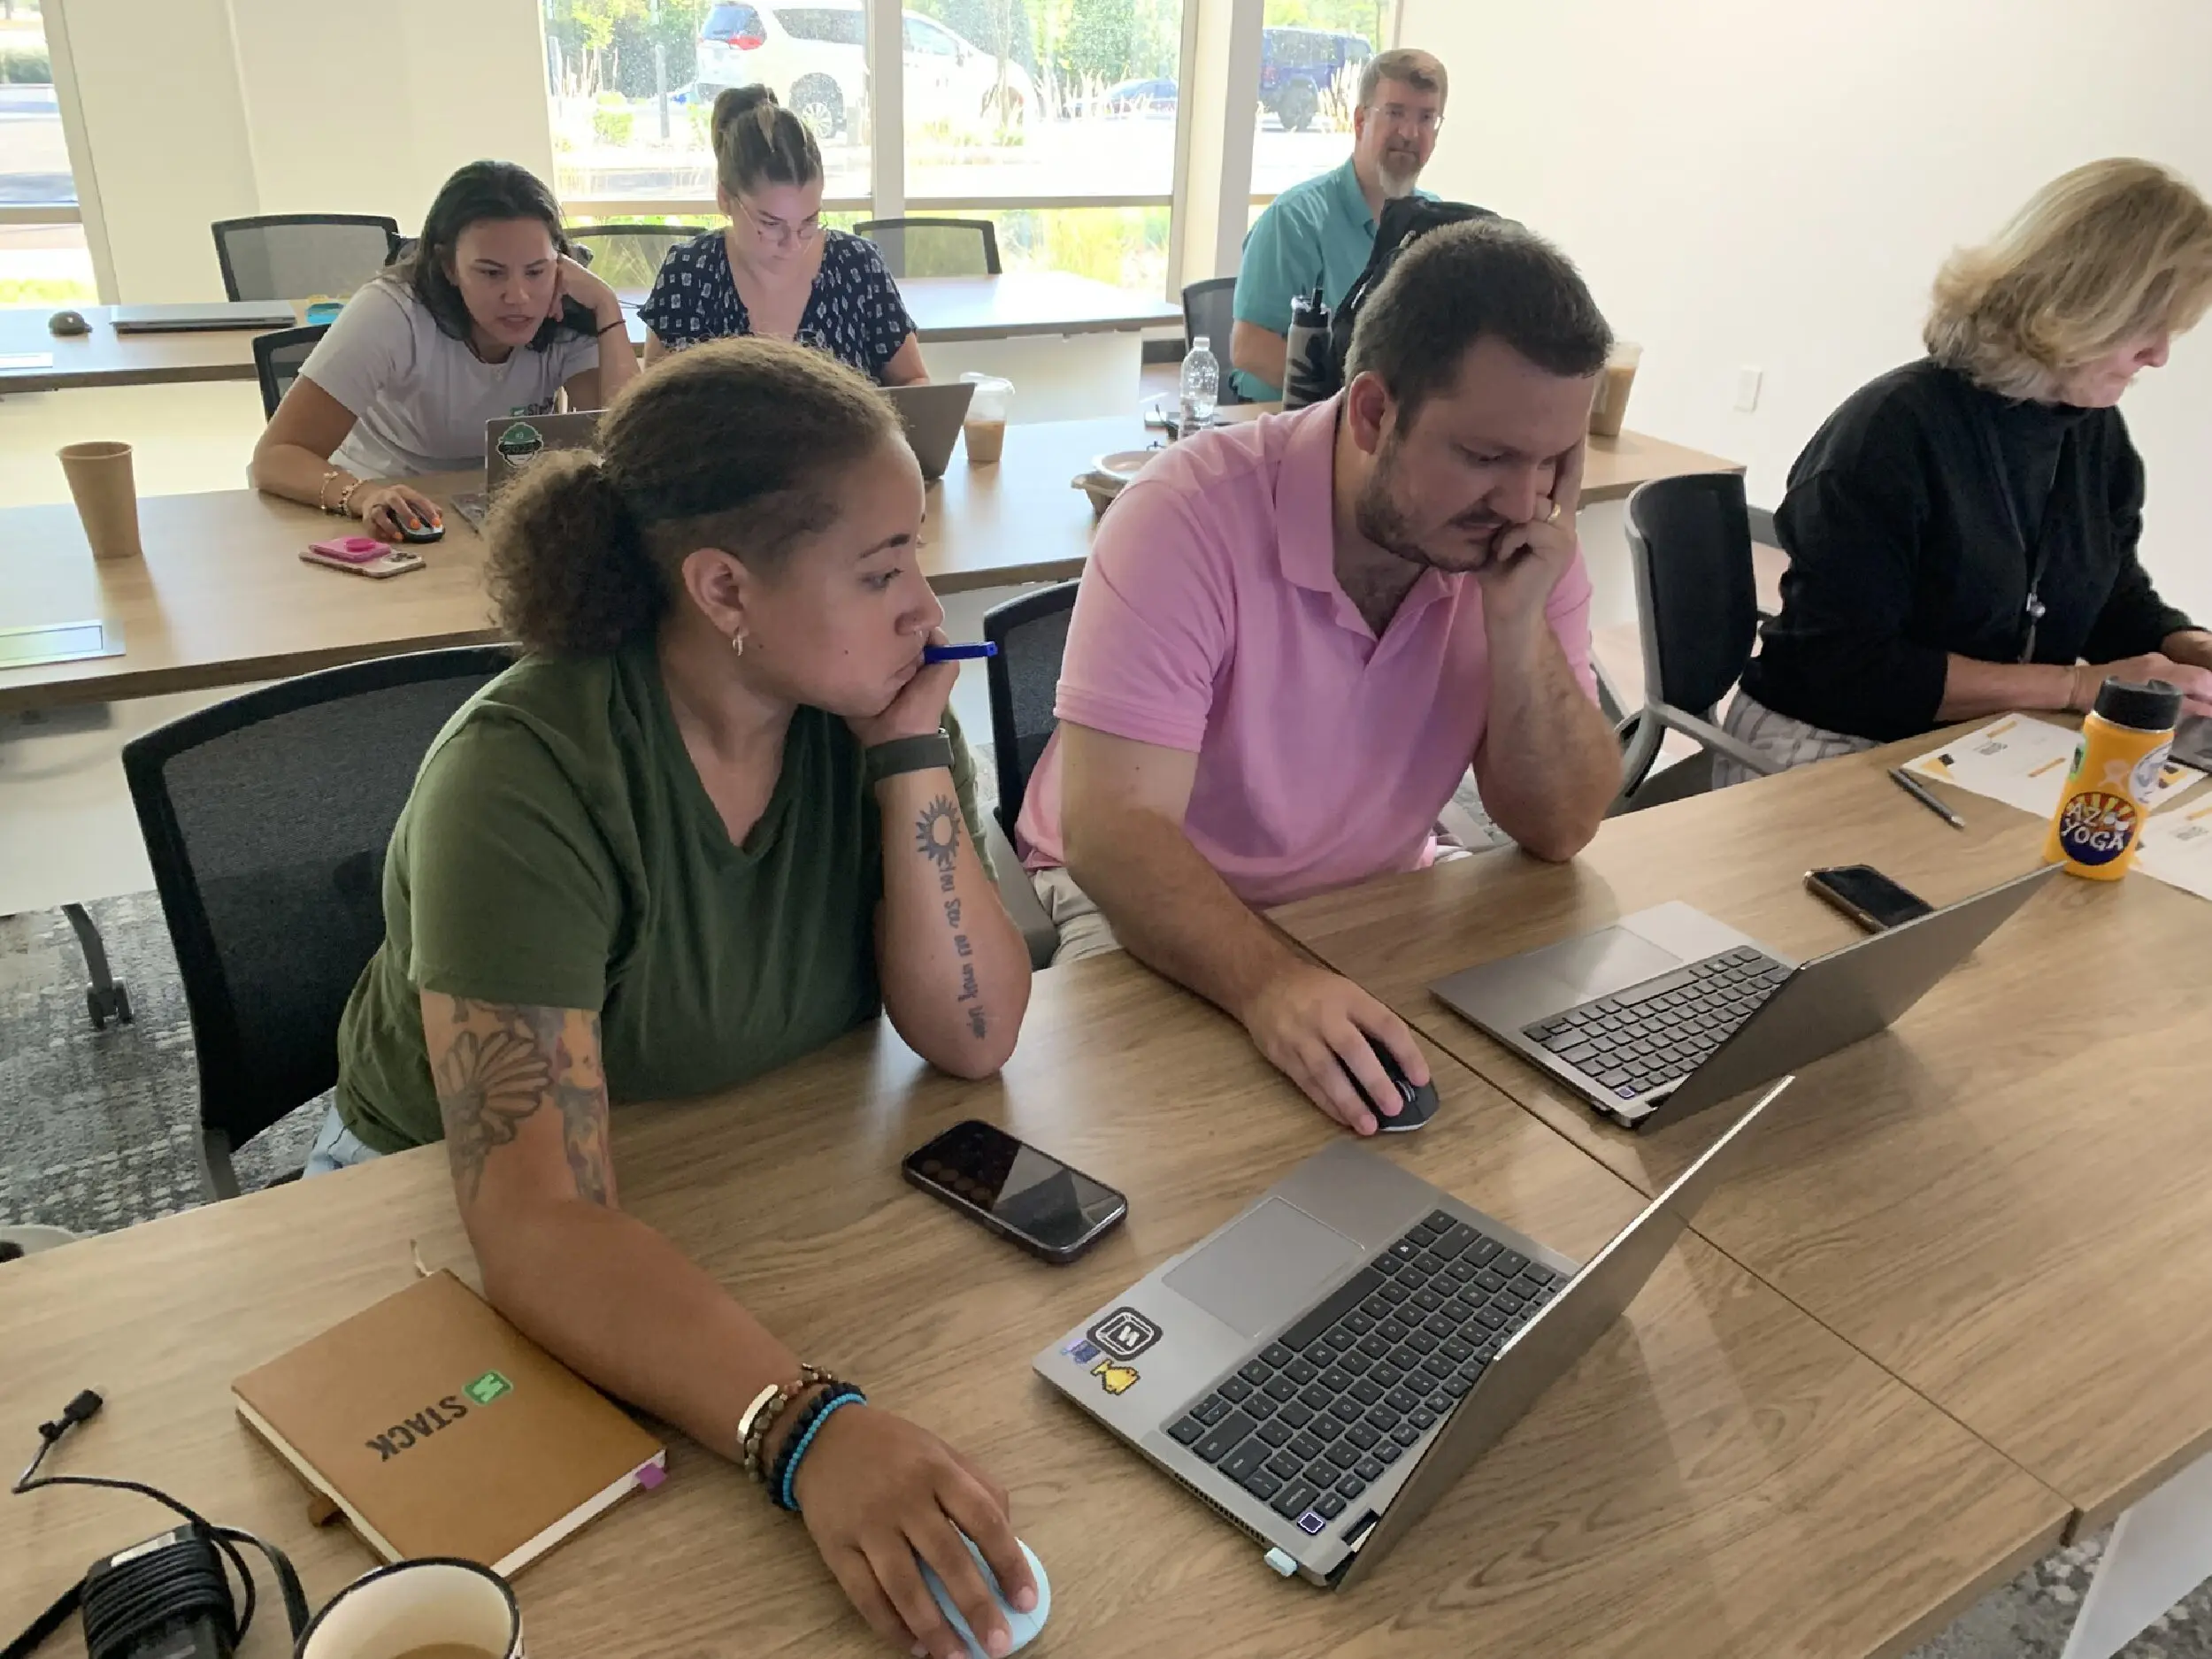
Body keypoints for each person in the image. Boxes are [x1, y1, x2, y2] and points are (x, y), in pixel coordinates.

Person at [313, 338, 1035, 1659]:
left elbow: (975, 1034)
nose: (922, 603)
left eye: (913, 556)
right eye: (879, 570)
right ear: (722, 588)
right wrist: (802, 1424)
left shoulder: (860, 711)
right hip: (420, 1218)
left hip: (713, 1174)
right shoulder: (521, 778)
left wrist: (910, 752)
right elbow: (535, 1226)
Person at [1016, 219, 1620, 1138]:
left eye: (1553, 463)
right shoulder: (1184, 517)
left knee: (1478, 1148)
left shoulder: (1522, 542)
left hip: (1373, 890)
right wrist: (1274, 987)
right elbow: (1113, 834)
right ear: (1374, 414)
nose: (1523, 501)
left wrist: (1517, 620)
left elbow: (1560, 825)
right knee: (1180, 1161)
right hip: (1147, 898)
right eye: (1487, 456)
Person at [1724, 157, 2212, 783]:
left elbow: (2109, 593)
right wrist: (2074, 685)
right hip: (1829, 732)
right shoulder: (1893, 431)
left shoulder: (2091, 428)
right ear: (2081, 305)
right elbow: (1846, 666)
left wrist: (2185, 645)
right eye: (2148, 326)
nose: (2160, 354)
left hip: (1984, 735)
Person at [251, 160, 636, 541]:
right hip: (389, 516)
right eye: (490, 272)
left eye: (536, 271)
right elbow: (276, 456)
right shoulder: (392, 312)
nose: (518, 297)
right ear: (448, 266)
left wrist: (606, 305)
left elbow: (630, 449)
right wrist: (363, 495)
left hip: (509, 520)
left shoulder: (567, 311)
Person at [641, 86, 927, 386]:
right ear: (726, 199)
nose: (793, 244)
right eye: (771, 223)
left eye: (809, 221)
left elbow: (914, 383)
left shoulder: (857, 266)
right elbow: (651, 410)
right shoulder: (689, 273)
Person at [1228, 48, 1448, 402]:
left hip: (1385, 430)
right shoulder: (1295, 219)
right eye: (1395, 113)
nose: (1409, 133)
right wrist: (1350, 402)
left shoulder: (1437, 225)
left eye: (1426, 118)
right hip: (1286, 425)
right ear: (1360, 122)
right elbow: (1249, 347)